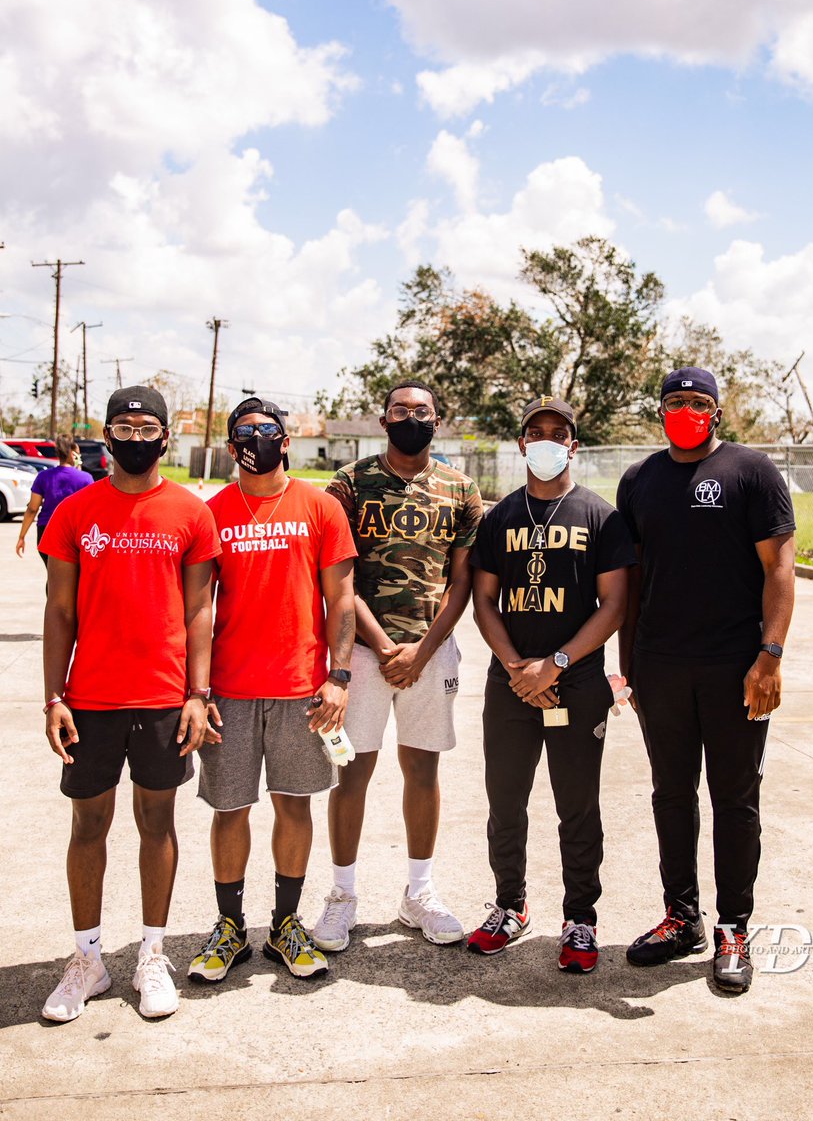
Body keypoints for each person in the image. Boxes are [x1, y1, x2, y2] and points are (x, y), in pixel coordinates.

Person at [39, 386, 220, 1023]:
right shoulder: (74, 511)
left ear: (165, 438)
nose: (135, 436)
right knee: (88, 826)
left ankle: (151, 954)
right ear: (105, 435)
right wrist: (53, 695)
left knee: (156, 825)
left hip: (165, 698)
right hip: (88, 697)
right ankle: (88, 960)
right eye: (123, 426)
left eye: (147, 427)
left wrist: (198, 693)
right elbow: (59, 610)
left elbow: (200, 609)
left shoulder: (191, 513)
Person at [617, 367, 796, 993]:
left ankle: (733, 927)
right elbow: (631, 579)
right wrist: (628, 664)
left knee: (735, 800)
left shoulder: (752, 471)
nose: (686, 411)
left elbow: (779, 568)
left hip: (734, 668)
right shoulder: (639, 479)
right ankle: (681, 917)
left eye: (697, 403)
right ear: (659, 410)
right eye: (674, 402)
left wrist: (769, 656)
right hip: (660, 667)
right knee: (671, 795)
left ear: (716, 411)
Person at [188, 398, 357, 983]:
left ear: (286, 440)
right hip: (229, 692)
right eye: (244, 433)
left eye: (267, 431)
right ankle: (230, 929)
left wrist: (339, 677)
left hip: (301, 689)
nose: (256, 440)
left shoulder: (320, 506)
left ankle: (286, 924)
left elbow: (341, 599)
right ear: (231, 445)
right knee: (229, 808)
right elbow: (198, 611)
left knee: (294, 803)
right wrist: (199, 689)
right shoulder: (212, 514)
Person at [311, 380, 483, 952]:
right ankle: (342, 896)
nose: (411, 418)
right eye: (400, 410)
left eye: (422, 411)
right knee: (351, 773)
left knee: (424, 772)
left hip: (431, 654)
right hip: (360, 655)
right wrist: (385, 647)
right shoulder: (351, 483)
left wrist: (423, 650)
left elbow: (462, 582)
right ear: (383, 420)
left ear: (440, 419)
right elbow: (338, 578)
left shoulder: (461, 489)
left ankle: (420, 893)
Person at [468, 396, 636, 972]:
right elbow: (483, 602)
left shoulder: (600, 516)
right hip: (510, 684)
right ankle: (510, 905)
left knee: (578, 805)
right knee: (505, 801)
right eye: (534, 432)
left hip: (579, 681)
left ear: (573, 444)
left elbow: (614, 605)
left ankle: (581, 918)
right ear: (521, 444)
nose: (545, 440)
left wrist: (556, 663)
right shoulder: (499, 517)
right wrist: (518, 667)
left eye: (556, 432)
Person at [16, 434, 93, 569]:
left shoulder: (43, 476)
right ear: (74, 453)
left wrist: (22, 536)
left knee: (53, 576)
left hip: (46, 531)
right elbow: (91, 510)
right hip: (74, 532)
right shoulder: (85, 479)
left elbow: (33, 508)